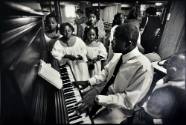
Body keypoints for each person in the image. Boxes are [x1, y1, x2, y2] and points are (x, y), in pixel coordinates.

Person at [74, 24, 154, 124]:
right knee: (80, 105)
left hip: (120, 109)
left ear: (128, 44)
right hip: (105, 95)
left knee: (89, 121)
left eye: (115, 39)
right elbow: (106, 72)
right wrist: (88, 82)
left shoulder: (143, 67)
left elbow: (127, 101)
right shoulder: (119, 55)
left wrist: (97, 99)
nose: (111, 41)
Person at [122, 51, 186, 125]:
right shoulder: (165, 79)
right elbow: (150, 97)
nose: (167, 68)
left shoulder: (181, 94)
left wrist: (151, 121)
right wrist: (143, 108)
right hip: (145, 113)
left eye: (169, 65)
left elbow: (175, 120)